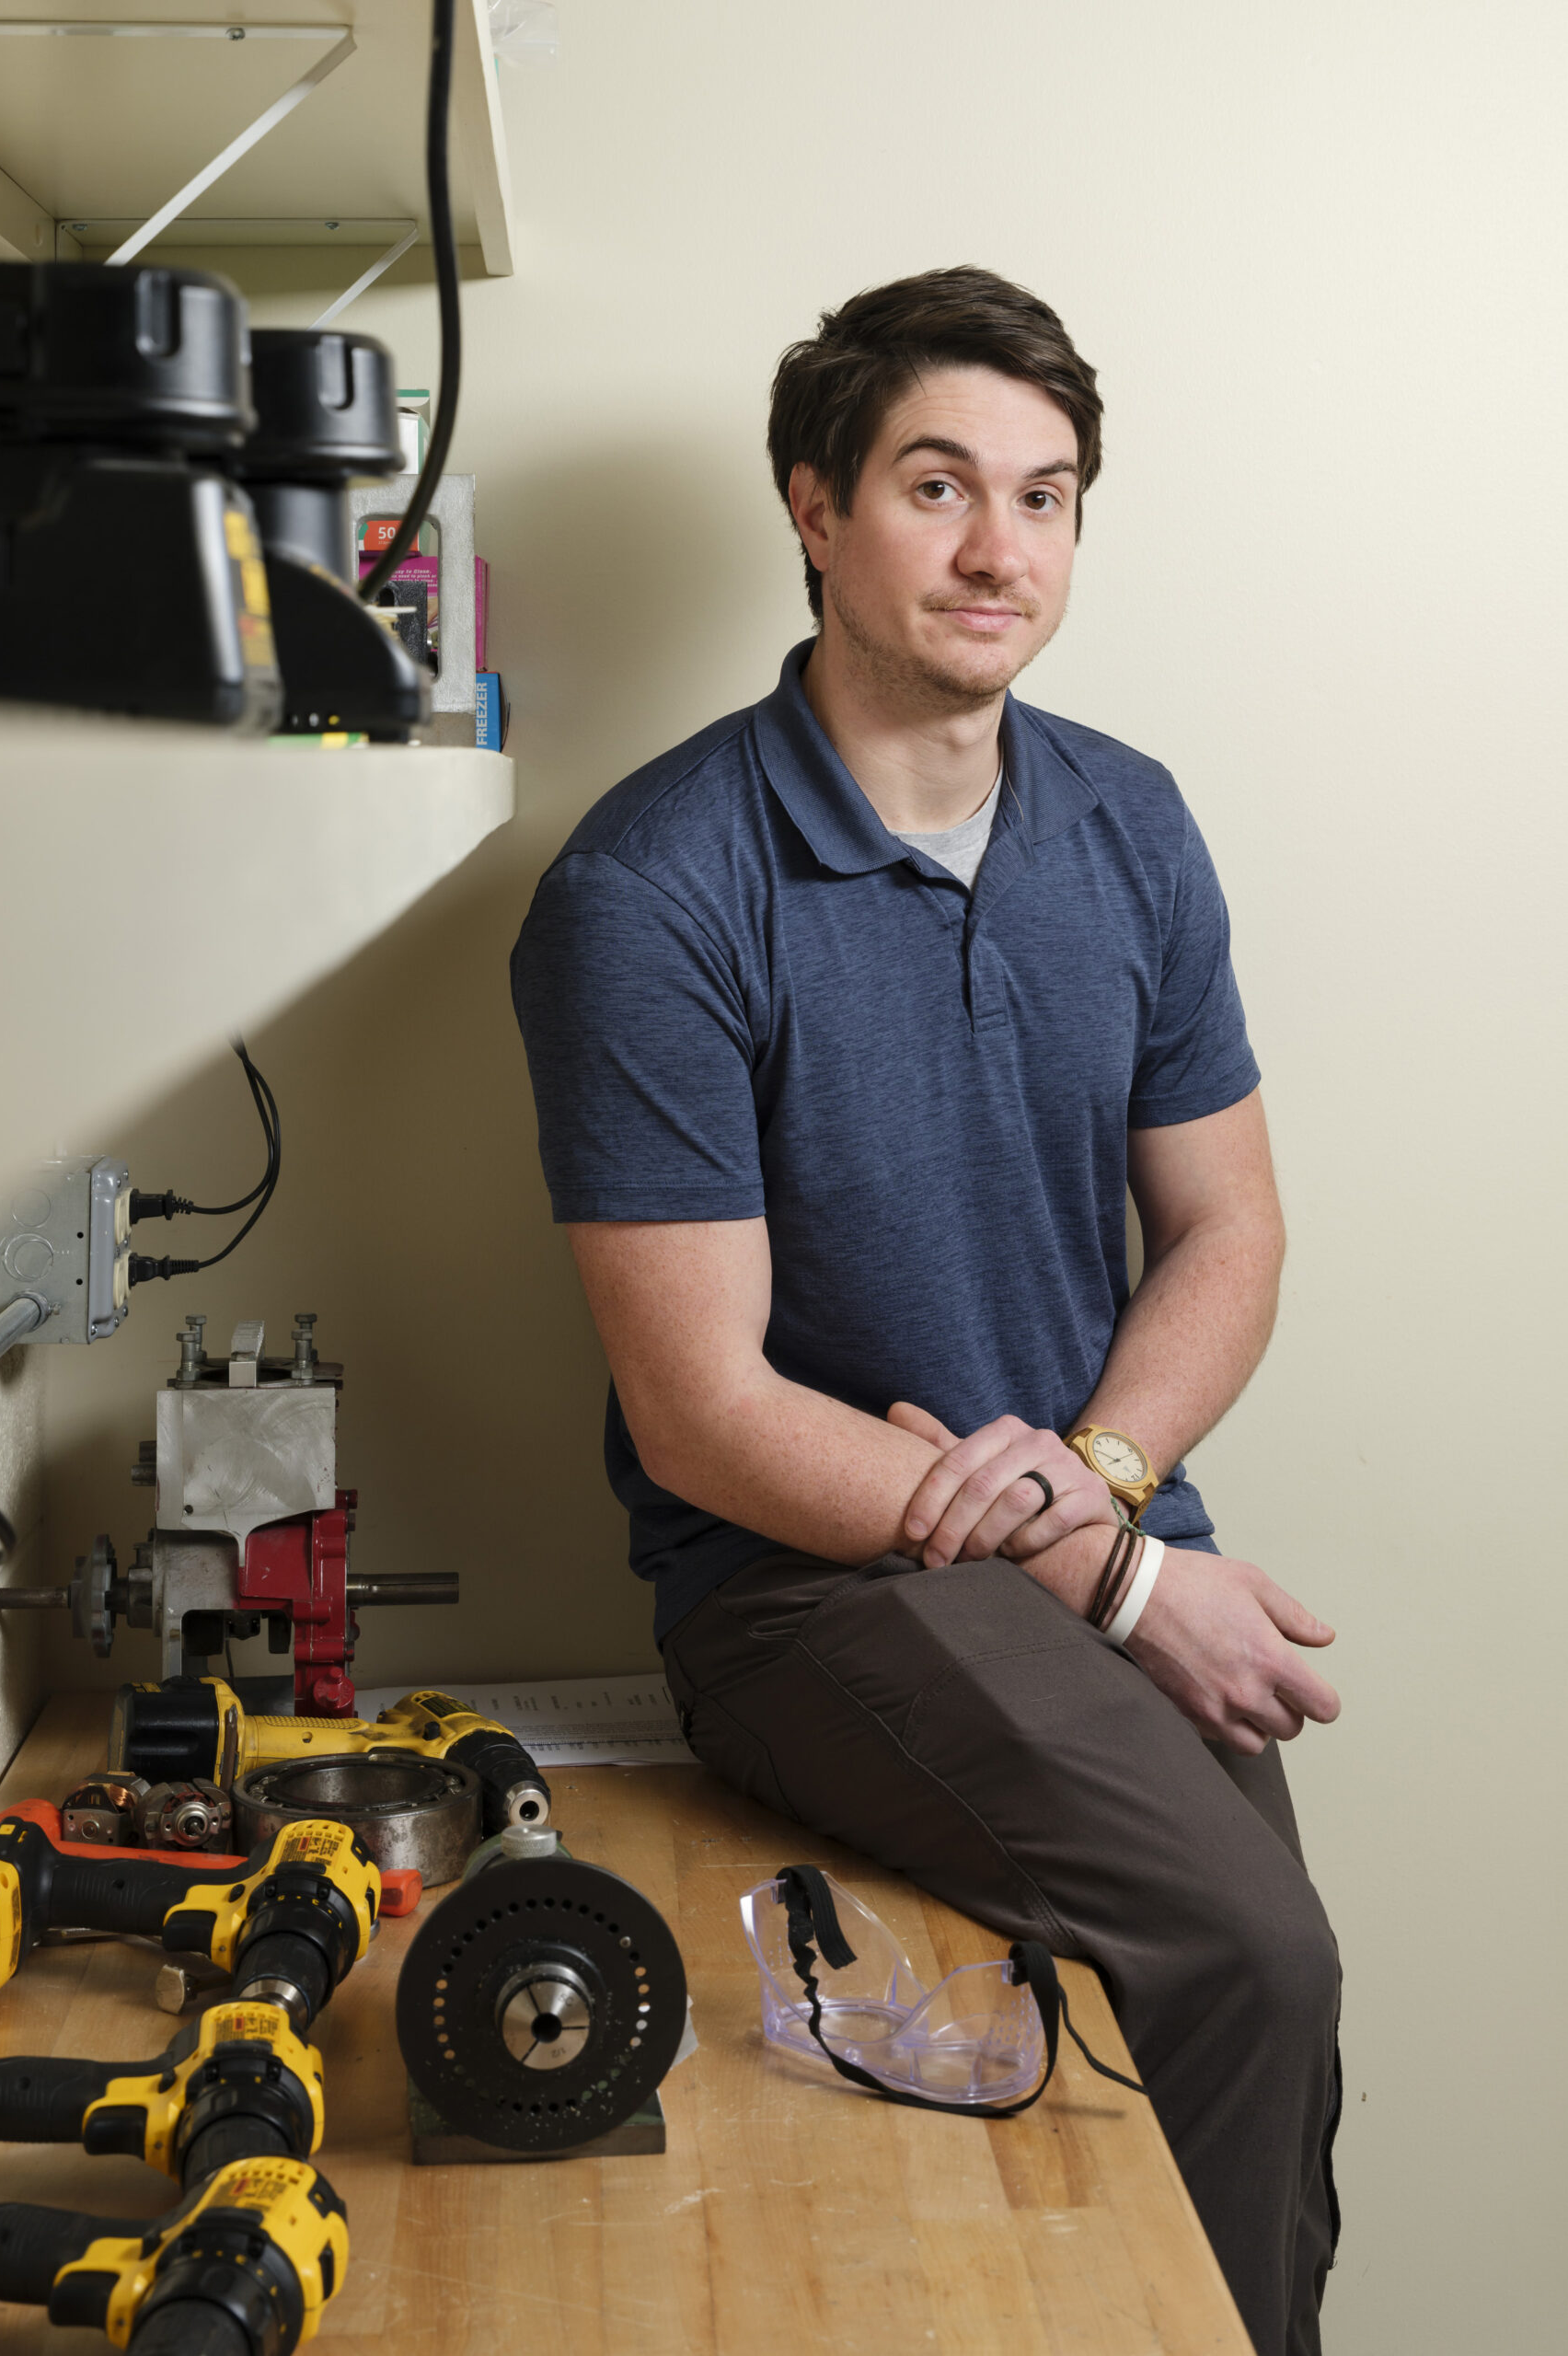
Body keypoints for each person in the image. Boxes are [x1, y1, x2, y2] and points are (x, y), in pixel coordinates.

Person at [510, 266, 1342, 2356]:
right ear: (811, 506)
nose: (1000, 550)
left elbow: (1226, 1230)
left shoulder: (1127, 820)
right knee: (1243, 1956)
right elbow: (705, 1414)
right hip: (803, 1586)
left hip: (1104, 1529)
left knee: (1265, 1989)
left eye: (1046, 497)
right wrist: (1115, 1568)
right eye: (938, 485)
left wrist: (1100, 1484)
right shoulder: (652, 890)